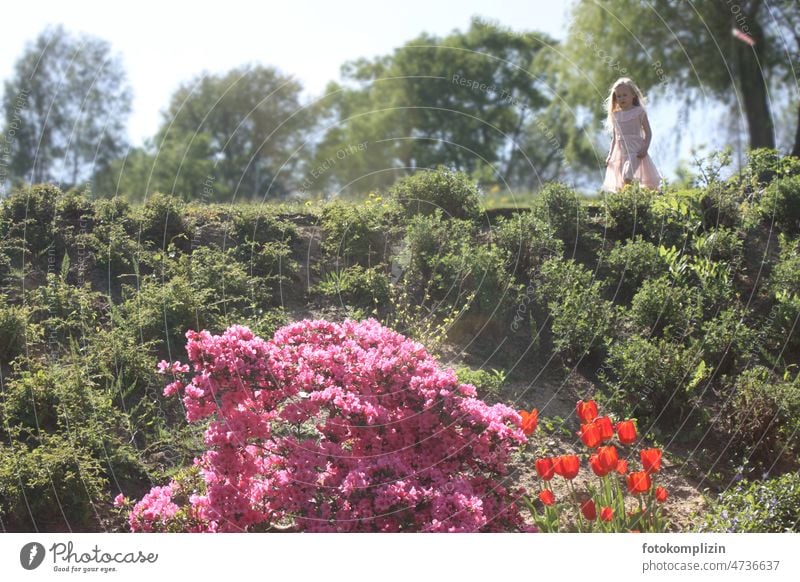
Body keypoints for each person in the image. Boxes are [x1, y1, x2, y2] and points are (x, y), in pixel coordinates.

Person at [602, 77, 661, 192]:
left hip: (636, 150)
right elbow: (614, 138)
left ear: (633, 95)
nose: (621, 98)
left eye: (625, 95)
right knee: (620, 179)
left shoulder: (639, 112)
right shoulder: (616, 115)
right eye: (618, 96)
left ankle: (628, 197)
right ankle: (628, 199)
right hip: (621, 151)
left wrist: (645, 147)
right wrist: (610, 155)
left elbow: (648, 133)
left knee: (627, 174)